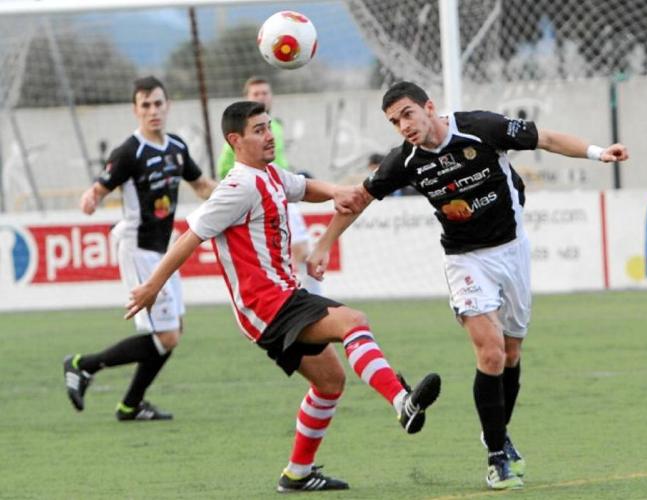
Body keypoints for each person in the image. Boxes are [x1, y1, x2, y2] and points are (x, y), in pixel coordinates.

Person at [307, 81, 629, 490]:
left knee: (511, 353)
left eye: (407, 114)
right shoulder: (404, 161)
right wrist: (324, 245)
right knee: (491, 352)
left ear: (429, 107)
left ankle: (497, 433)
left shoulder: (480, 127)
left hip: (512, 250)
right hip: (464, 259)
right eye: (394, 122)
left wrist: (599, 152)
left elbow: (546, 138)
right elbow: (360, 198)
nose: (404, 126)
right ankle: (496, 456)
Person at [125, 100, 441, 492]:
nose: (269, 136)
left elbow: (304, 188)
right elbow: (190, 237)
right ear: (235, 141)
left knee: (330, 382)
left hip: (280, 298)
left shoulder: (269, 175)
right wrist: (152, 286)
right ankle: (401, 402)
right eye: (258, 130)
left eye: (269, 127)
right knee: (353, 322)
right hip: (266, 304)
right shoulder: (238, 187)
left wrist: (337, 191)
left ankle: (297, 474)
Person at [63, 76, 217, 421]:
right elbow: (99, 189)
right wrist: (90, 199)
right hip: (138, 249)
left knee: (173, 330)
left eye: (158, 103)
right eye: (145, 105)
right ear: (135, 110)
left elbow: (201, 186)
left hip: (164, 249)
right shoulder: (128, 152)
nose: (153, 110)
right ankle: (83, 365)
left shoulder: (176, 147)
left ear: (167, 105)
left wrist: (236, 193)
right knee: (167, 335)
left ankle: (130, 405)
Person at [217, 76, 319, 294]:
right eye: (256, 94)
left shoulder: (276, 127)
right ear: (247, 98)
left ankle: (305, 296)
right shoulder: (239, 138)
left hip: (284, 192)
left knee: (302, 252)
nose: (261, 97)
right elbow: (224, 169)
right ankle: (290, 293)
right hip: (263, 197)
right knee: (295, 252)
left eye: (265, 93)